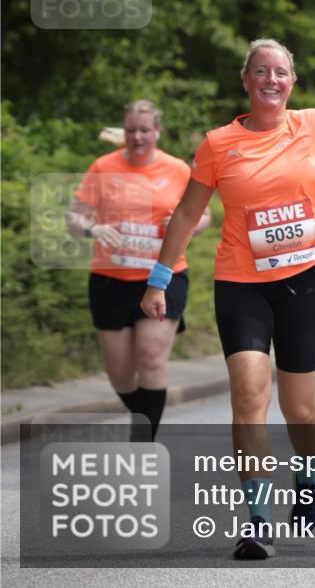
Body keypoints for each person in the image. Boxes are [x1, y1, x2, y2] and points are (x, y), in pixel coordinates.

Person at [140, 4, 315, 560]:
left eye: (280, 72)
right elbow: (186, 216)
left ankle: (307, 480)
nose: (271, 80)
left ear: (292, 82)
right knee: (248, 398)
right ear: (246, 80)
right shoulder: (216, 145)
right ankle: (256, 519)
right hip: (242, 283)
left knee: (301, 412)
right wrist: (159, 279)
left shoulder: (313, 125)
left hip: (306, 280)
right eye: (261, 71)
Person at [67, 100, 211, 442]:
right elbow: (74, 216)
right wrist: (91, 230)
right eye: (131, 130)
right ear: (124, 132)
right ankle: (144, 411)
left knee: (150, 354)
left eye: (145, 129)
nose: (138, 136)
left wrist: (180, 225)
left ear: (157, 132)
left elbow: (203, 217)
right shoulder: (103, 167)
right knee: (119, 373)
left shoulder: (176, 169)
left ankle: (142, 443)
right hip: (110, 279)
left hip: (164, 274)